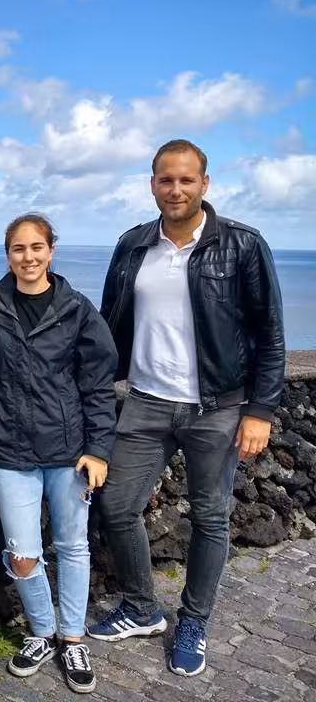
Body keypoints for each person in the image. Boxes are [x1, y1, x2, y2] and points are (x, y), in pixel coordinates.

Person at [88, 139, 286, 677]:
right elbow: (109, 329)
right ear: (152, 184)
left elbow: (269, 334)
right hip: (146, 402)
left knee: (210, 517)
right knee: (116, 506)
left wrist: (260, 410)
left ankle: (194, 620)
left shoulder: (243, 245)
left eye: (185, 180)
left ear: (204, 184)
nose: (175, 189)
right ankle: (141, 608)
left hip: (217, 408)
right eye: (165, 180)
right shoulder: (132, 245)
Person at [0, 214, 118, 695]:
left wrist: (99, 448)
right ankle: (42, 630)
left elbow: (98, 385)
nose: (29, 257)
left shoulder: (76, 309)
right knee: (22, 554)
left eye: (37, 247)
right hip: (11, 448)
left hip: (69, 450)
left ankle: (72, 637)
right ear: (8, 254)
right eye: (19, 249)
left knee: (74, 546)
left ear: (51, 251)